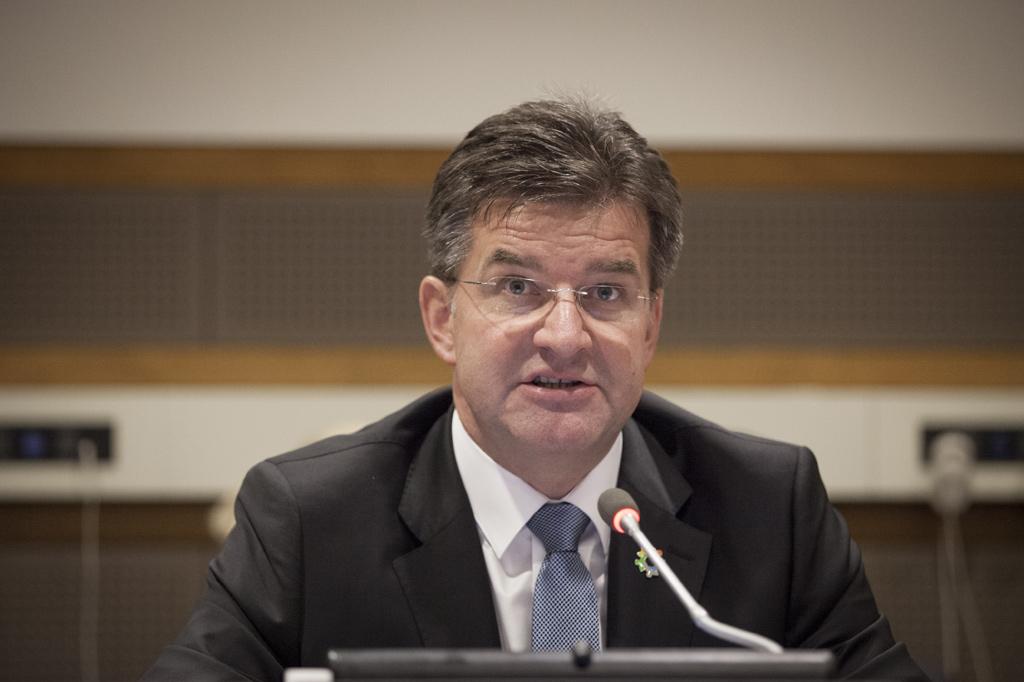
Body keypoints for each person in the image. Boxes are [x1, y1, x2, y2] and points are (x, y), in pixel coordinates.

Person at [142, 98, 928, 681]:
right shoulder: (311, 520)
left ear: (651, 325)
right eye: (518, 287)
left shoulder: (768, 509)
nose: (565, 336)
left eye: (606, 293)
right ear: (443, 319)